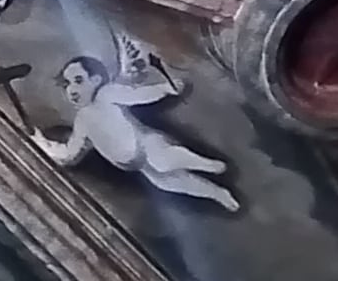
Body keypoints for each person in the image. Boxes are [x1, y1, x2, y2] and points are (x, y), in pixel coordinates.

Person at [34, 48, 241, 210]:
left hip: (145, 144)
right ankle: (217, 193)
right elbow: (70, 151)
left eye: (78, 81)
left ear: (96, 80)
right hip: (135, 164)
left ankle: (205, 164)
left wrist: (164, 89)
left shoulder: (107, 94)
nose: (72, 89)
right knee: (173, 183)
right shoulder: (82, 120)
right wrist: (43, 144)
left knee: (163, 161)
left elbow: (137, 95)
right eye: (67, 84)